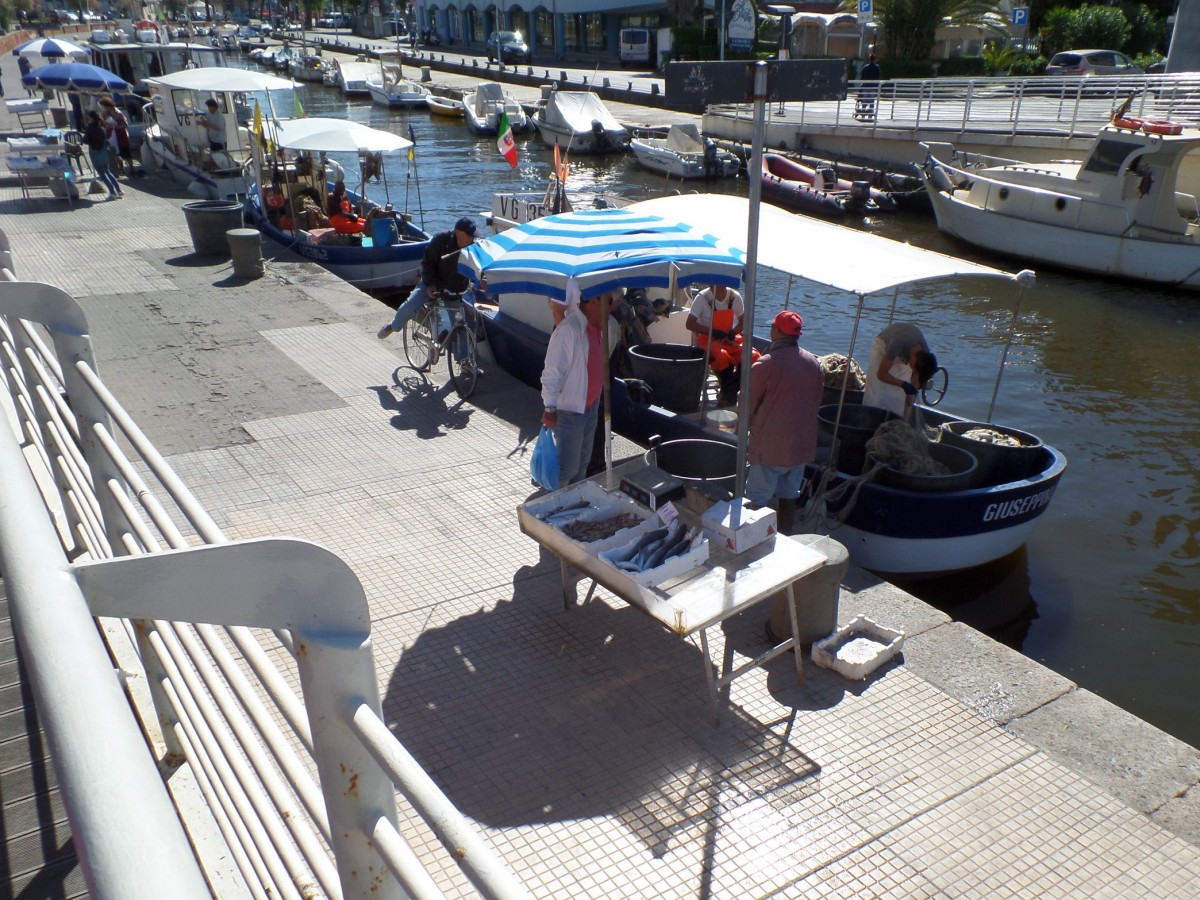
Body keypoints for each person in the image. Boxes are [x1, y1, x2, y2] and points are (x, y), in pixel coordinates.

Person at [746, 310, 823, 533]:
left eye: (772, 328)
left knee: (758, 498)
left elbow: (747, 406)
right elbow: (816, 403)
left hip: (771, 448)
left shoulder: (764, 365)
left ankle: (755, 541)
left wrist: (749, 427)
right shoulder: (814, 363)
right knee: (789, 494)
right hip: (801, 447)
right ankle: (786, 536)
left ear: (777, 333)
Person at [377, 217, 481, 372]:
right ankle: (394, 325)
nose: (473, 238)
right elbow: (427, 264)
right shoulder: (441, 240)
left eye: (473, 235)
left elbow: (478, 266)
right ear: (459, 233)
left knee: (460, 324)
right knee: (411, 304)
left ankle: (464, 362)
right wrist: (430, 284)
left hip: (454, 289)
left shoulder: (473, 246)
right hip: (432, 283)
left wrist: (482, 279)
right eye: (469, 235)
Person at [540, 284, 611, 488]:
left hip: (590, 407)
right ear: (594, 301)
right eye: (607, 303)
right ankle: (555, 509)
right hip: (571, 410)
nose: (610, 309)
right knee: (567, 468)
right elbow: (552, 372)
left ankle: (574, 508)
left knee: (582, 465)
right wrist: (549, 407)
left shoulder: (595, 328)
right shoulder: (570, 329)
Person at [862, 321, 937, 419]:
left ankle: (897, 421)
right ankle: (869, 419)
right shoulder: (899, 342)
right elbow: (881, 374)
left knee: (899, 398)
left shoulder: (925, 356)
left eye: (914, 371)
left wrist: (906, 418)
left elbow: (914, 385)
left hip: (904, 356)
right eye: (913, 368)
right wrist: (903, 384)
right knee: (876, 393)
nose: (912, 370)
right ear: (913, 359)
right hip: (883, 347)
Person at [685, 282, 745, 405]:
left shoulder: (735, 296)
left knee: (751, 356)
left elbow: (743, 321)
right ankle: (729, 395)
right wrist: (712, 332)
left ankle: (726, 392)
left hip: (729, 339)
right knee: (722, 356)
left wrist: (734, 332)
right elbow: (689, 324)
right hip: (708, 340)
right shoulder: (702, 297)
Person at [83, 110, 123, 200]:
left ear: (91, 118)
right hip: (104, 151)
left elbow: (85, 140)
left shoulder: (90, 128)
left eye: (88, 117)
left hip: (95, 152)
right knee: (107, 171)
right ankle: (119, 190)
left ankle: (112, 192)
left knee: (102, 174)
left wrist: (85, 139)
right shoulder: (101, 126)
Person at [99, 95, 132, 178]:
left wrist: (114, 126)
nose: (103, 108)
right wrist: (105, 124)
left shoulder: (118, 113)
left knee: (125, 150)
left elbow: (125, 125)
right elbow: (102, 124)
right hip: (110, 134)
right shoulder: (104, 113)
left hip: (120, 134)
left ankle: (131, 168)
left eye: (104, 106)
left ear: (108, 105)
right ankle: (120, 168)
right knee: (114, 151)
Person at [857, 52, 881, 121]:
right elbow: (878, 77)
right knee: (871, 102)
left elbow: (862, 77)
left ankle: (863, 115)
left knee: (864, 102)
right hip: (873, 87)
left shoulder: (865, 67)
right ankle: (870, 116)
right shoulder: (877, 67)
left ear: (869, 59)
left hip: (865, 86)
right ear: (875, 59)